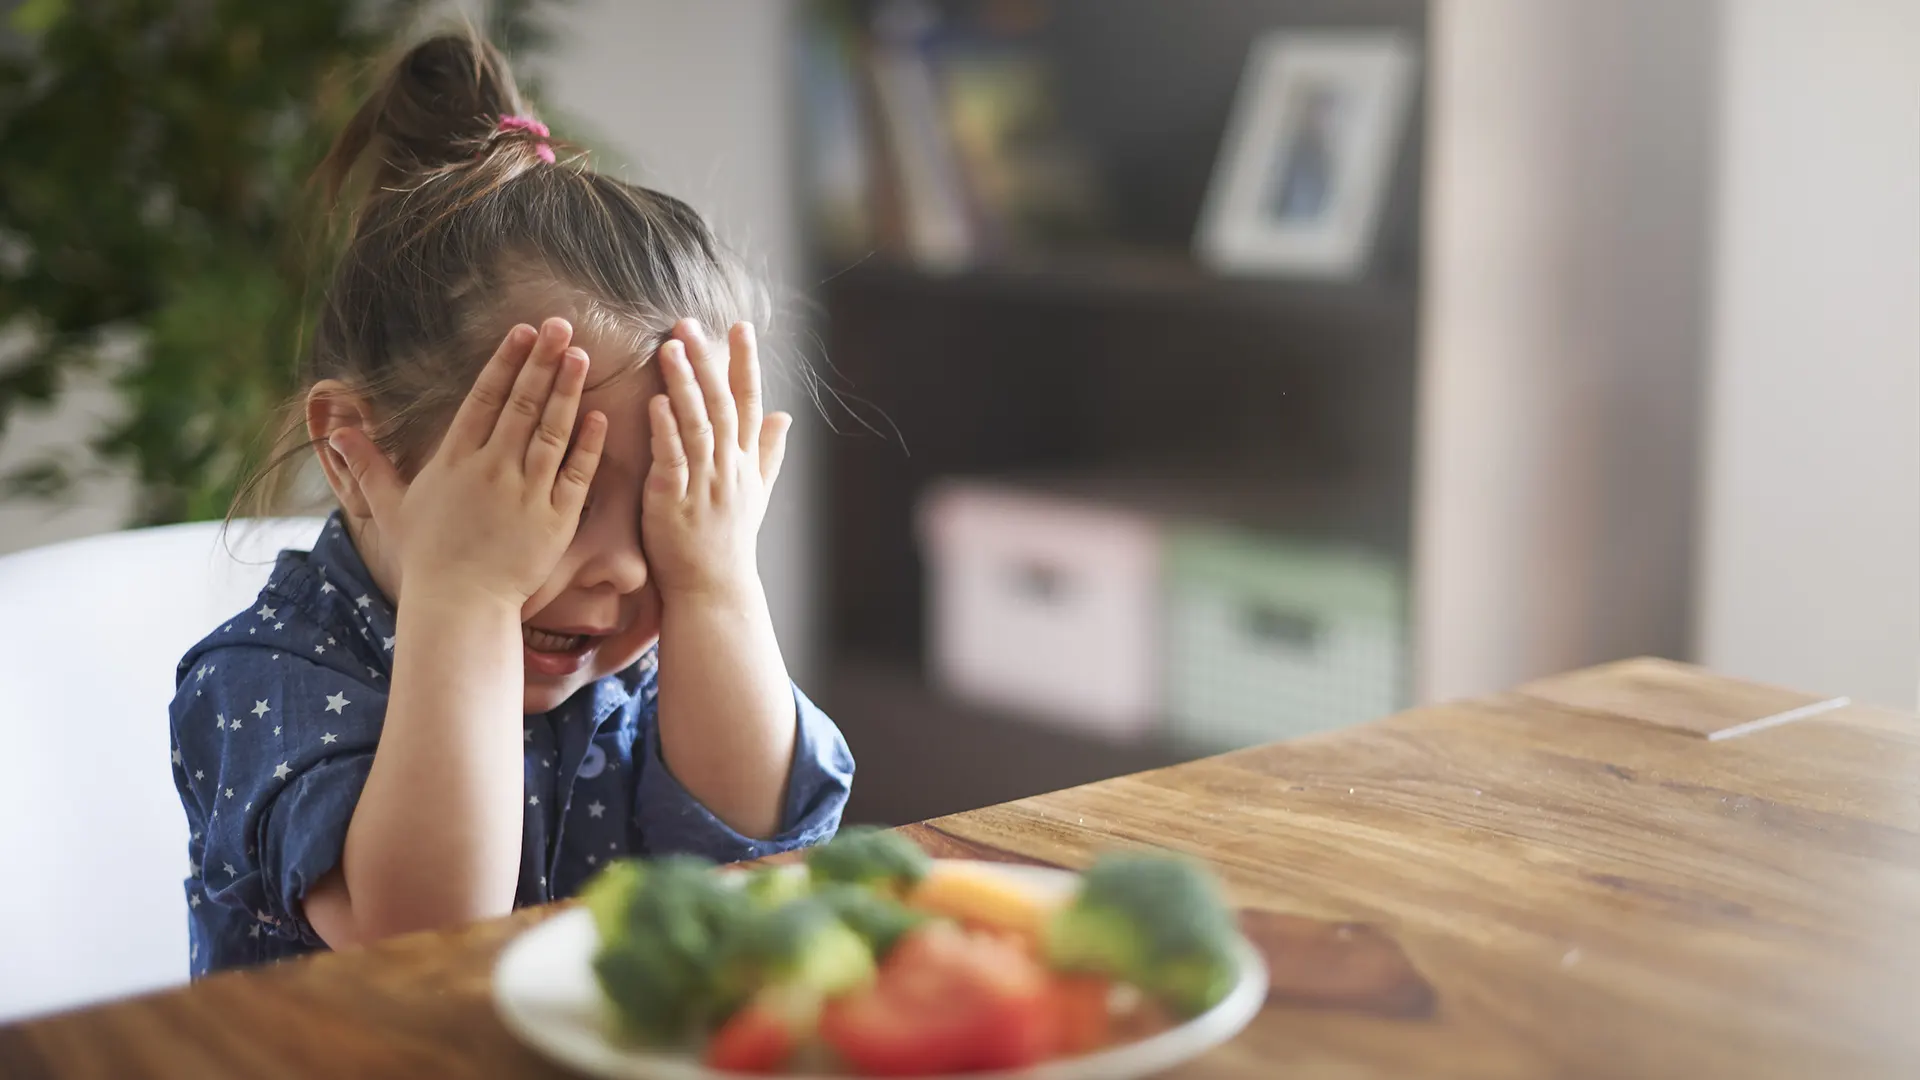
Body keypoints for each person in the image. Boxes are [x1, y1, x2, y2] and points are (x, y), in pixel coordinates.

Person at [168, 31, 852, 976]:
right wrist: (469, 598)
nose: (620, 566)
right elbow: (426, 937)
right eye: (555, 499)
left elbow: (763, 848)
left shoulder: (650, 654)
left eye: (665, 507)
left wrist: (715, 583)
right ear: (354, 456)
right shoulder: (267, 678)